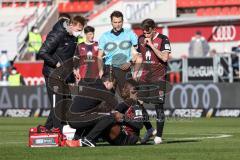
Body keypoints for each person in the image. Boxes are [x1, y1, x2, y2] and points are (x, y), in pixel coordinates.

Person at [38, 15, 86, 131]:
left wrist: (74, 70)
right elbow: (42, 52)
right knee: (58, 103)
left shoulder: (73, 37)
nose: (80, 33)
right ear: (71, 25)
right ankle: (58, 130)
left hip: (64, 75)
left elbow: (69, 57)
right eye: (78, 30)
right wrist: (56, 64)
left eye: (81, 30)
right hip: (53, 73)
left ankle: (45, 128)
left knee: (66, 102)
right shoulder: (57, 34)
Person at [137, 18, 171, 144]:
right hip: (145, 77)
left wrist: (151, 45)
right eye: (144, 33)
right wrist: (136, 71)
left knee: (158, 107)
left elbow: (165, 57)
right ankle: (150, 129)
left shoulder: (163, 39)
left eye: (148, 33)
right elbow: (140, 56)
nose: (145, 35)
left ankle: (159, 136)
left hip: (159, 77)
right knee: (137, 103)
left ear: (154, 29)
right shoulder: (140, 39)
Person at [98, 10, 142, 95]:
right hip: (109, 68)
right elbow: (99, 56)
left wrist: (130, 62)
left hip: (124, 69)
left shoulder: (130, 34)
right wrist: (100, 70)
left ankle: (135, 108)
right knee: (107, 98)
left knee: (129, 96)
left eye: (119, 22)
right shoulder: (104, 36)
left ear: (122, 21)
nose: (117, 24)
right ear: (111, 22)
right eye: (115, 22)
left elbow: (139, 53)